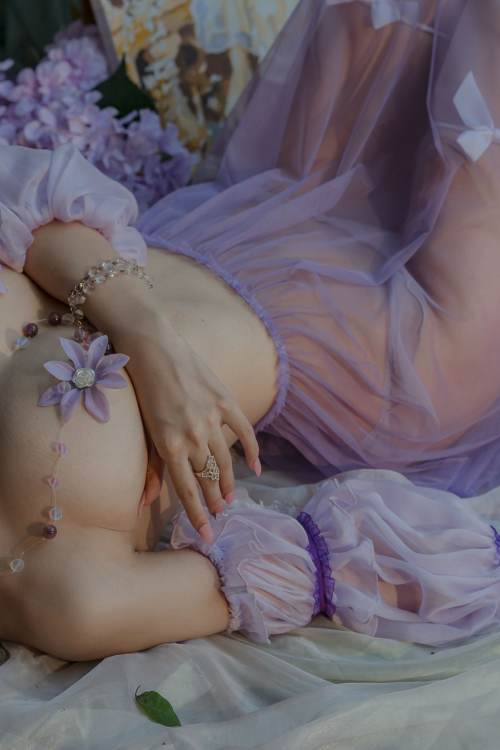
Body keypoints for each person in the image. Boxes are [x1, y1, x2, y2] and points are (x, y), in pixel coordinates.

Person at [1, 0, 500, 660]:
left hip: (248, 216)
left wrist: (150, 343)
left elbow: (25, 194)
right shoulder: (50, 590)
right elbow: (328, 565)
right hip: (381, 353)